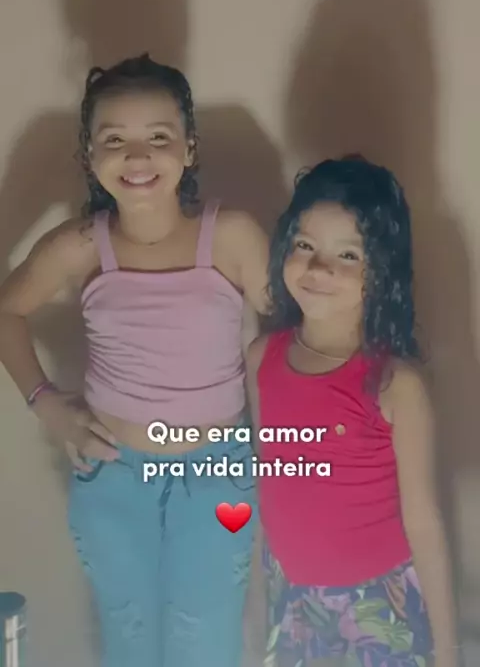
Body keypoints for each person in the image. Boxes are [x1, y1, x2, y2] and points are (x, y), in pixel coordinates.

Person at [0, 54, 270, 667]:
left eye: (159, 137)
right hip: (114, 475)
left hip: (217, 474)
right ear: (90, 156)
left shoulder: (232, 237)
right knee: (130, 636)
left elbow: (287, 338)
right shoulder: (79, 246)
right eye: (115, 139)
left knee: (206, 640)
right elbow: (7, 312)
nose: (138, 156)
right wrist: (47, 404)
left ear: (189, 149)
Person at [246, 156, 460, 667]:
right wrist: (255, 612)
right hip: (291, 597)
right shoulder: (261, 358)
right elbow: (264, 480)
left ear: (380, 272)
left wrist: (449, 652)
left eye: (348, 254)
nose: (319, 268)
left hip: (382, 604)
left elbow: (424, 521)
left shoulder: (396, 385)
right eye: (305, 245)